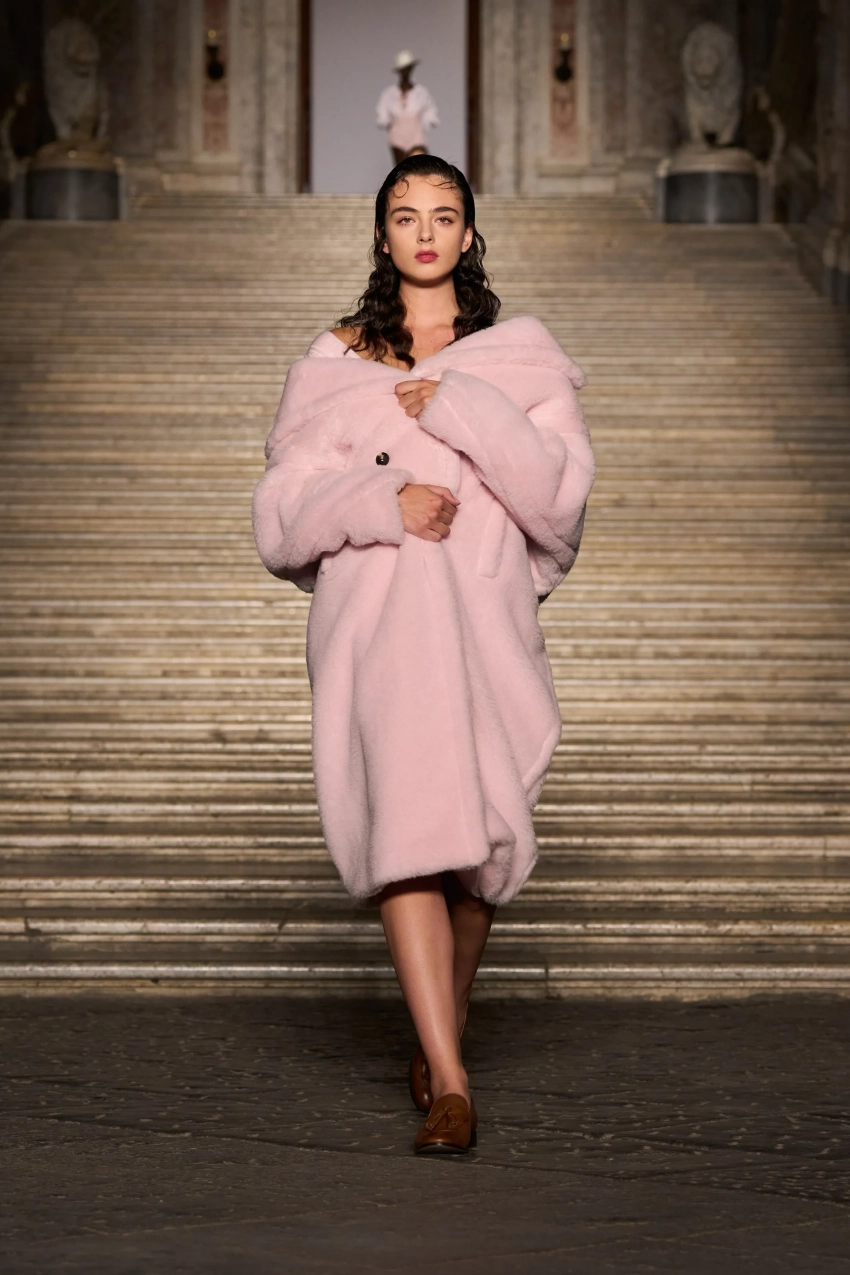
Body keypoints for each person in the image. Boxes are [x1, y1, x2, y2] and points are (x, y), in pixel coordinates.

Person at [252, 155, 595, 1155]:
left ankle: (440, 1026)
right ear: (382, 236)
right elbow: (280, 514)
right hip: (380, 618)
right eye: (406, 216)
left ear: (470, 234)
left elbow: (558, 499)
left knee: (481, 852)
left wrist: (458, 406)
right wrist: (379, 499)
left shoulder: (516, 358)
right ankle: (450, 1080)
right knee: (408, 832)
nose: (426, 232)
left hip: (484, 618)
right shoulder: (334, 360)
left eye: (444, 215)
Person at [376, 51, 439, 164]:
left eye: (408, 69)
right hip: (397, 135)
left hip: (416, 134)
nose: (406, 72)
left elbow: (430, 111)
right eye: (403, 69)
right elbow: (382, 114)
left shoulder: (421, 92)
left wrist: (426, 123)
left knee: (419, 165)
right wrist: (388, 124)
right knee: (401, 168)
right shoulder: (389, 93)